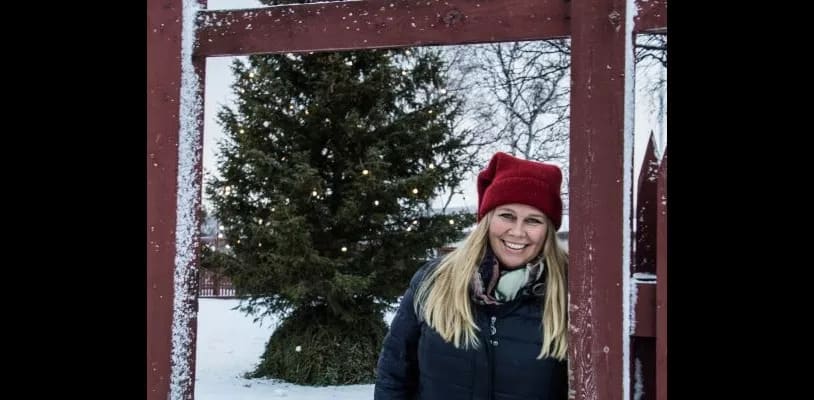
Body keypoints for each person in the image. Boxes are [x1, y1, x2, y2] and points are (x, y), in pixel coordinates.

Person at [375, 151, 569, 400]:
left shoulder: (568, 293)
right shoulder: (434, 280)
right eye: (507, 215)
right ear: (487, 220)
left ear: (548, 230)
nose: (518, 232)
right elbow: (394, 375)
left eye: (533, 220)